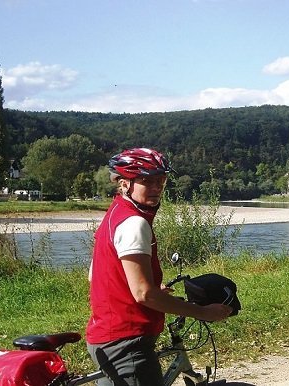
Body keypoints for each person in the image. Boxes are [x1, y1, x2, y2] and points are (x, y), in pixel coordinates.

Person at [86, 147, 232, 385]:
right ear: (125, 184)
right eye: (146, 181)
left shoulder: (115, 214)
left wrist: (149, 287)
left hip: (108, 337)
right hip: (127, 342)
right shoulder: (134, 224)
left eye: (160, 181)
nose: (156, 188)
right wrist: (204, 313)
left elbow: (95, 275)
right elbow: (144, 294)